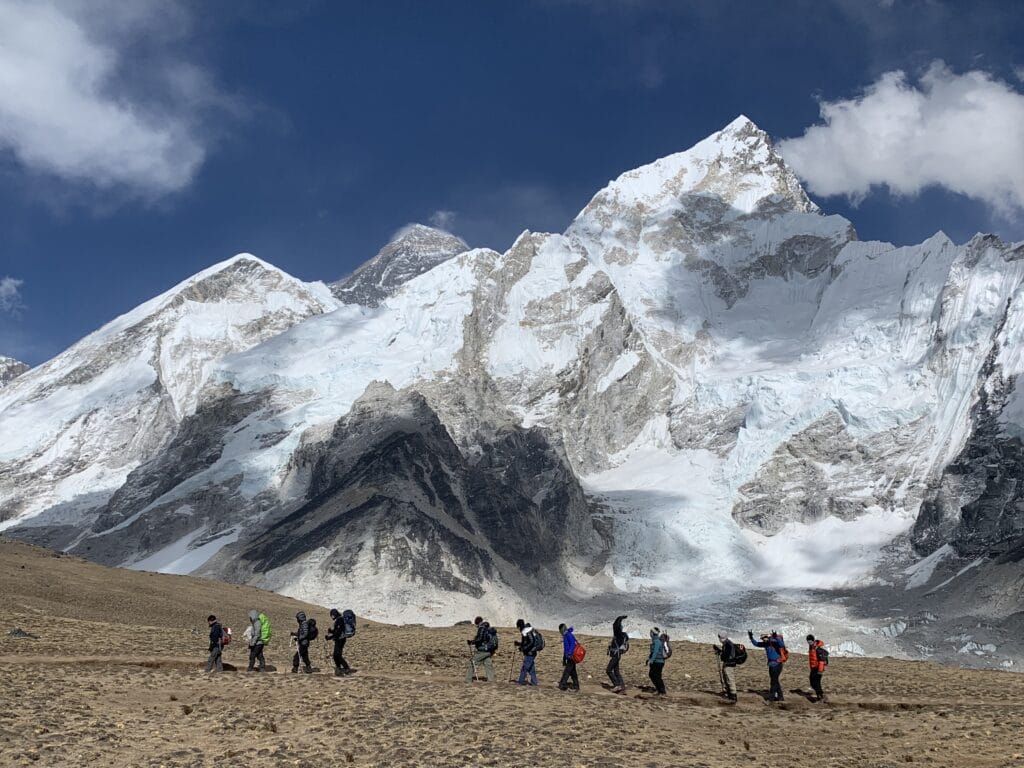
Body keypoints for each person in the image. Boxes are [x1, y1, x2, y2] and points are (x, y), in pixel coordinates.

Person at [749, 629, 786, 702]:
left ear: (768, 637)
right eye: (762, 639)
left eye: (764, 638)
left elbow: (782, 645)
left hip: (777, 664)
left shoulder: (774, 642)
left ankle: (771, 699)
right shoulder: (765, 644)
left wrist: (776, 637)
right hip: (771, 665)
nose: (763, 640)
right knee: (775, 681)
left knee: (773, 682)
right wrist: (751, 637)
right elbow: (756, 644)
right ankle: (780, 697)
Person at [464, 616, 496, 683]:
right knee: (488, 664)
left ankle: (468, 680)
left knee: (472, 663)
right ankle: (491, 680)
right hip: (490, 650)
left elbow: (480, 639)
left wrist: (472, 642)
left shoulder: (482, 628)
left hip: (483, 650)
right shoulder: (488, 628)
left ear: (477, 623)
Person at [713, 632, 738, 703]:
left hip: (729, 664)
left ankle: (733, 697)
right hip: (728, 663)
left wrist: (720, 653)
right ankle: (729, 694)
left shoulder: (728, 644)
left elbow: (726, 655)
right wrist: (719, 650)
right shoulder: (727, 643)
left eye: (719, 637)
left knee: (730, 679)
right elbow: (726, 654)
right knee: (726, 678)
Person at [606, 615, 628, 693]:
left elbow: (615, 625)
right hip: (618, 655)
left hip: (616, 655)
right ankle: (622, 687)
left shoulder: (618, 635)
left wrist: (620, 618)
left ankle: (617, 685)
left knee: (608, 670)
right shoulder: (623, 636)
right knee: (616, 671)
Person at [326, 609, 351, 677]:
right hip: (340, 639)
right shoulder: (339, 619)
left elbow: (338, 632)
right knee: (335, 655)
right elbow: (337, 630)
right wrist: (331, 631)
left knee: (337, 655)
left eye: (332, 615)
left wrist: (330, 637)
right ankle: (339, 667)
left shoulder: (339, 620)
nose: (332, 617)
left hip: (340, 639)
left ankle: (346, 668)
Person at [514, 619, 539, 686]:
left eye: (518, 627)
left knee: (524, 668)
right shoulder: (527, 630)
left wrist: (523, 648)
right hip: (532, 652)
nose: (518, 628)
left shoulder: (525, 631)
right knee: (531, 668)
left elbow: (531, 642)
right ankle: (534, 682)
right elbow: (526, 642)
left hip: (530, 653)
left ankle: (520, 682)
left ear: (519, 626)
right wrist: (519, 644)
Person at [558, 623, 580, 691]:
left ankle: (563, 685)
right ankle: (576, 685)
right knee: (573, 672)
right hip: (569, 656)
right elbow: (566, 648)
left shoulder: (568, 635)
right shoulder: (566, 635)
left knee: (567, 672)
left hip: (571, 656)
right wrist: (564, 658)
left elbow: (572, 644)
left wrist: (570, 653)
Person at [646, 627, 667, 695]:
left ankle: (662, 691)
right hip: (656, 661)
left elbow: (655, 652)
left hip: (658, 662)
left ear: (652, 633)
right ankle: (659, 690)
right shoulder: (655, 641)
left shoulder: (657, 641)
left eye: (650, 632)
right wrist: (649, 659)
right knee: (653, 675)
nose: (650, 633)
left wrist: (651, 660)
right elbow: (652, 652)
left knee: (656, 676)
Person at [807, 634, 827, 702]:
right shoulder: (811, 647)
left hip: (818, 668)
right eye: (808, 642)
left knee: (816, 682)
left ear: (813, 640)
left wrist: (820, 670)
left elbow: (821, 660)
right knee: (812, 682)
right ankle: (820, 695)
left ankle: (820, 696)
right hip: (813, 668)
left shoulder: (817, 648)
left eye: (810, 641)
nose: (809, 643)